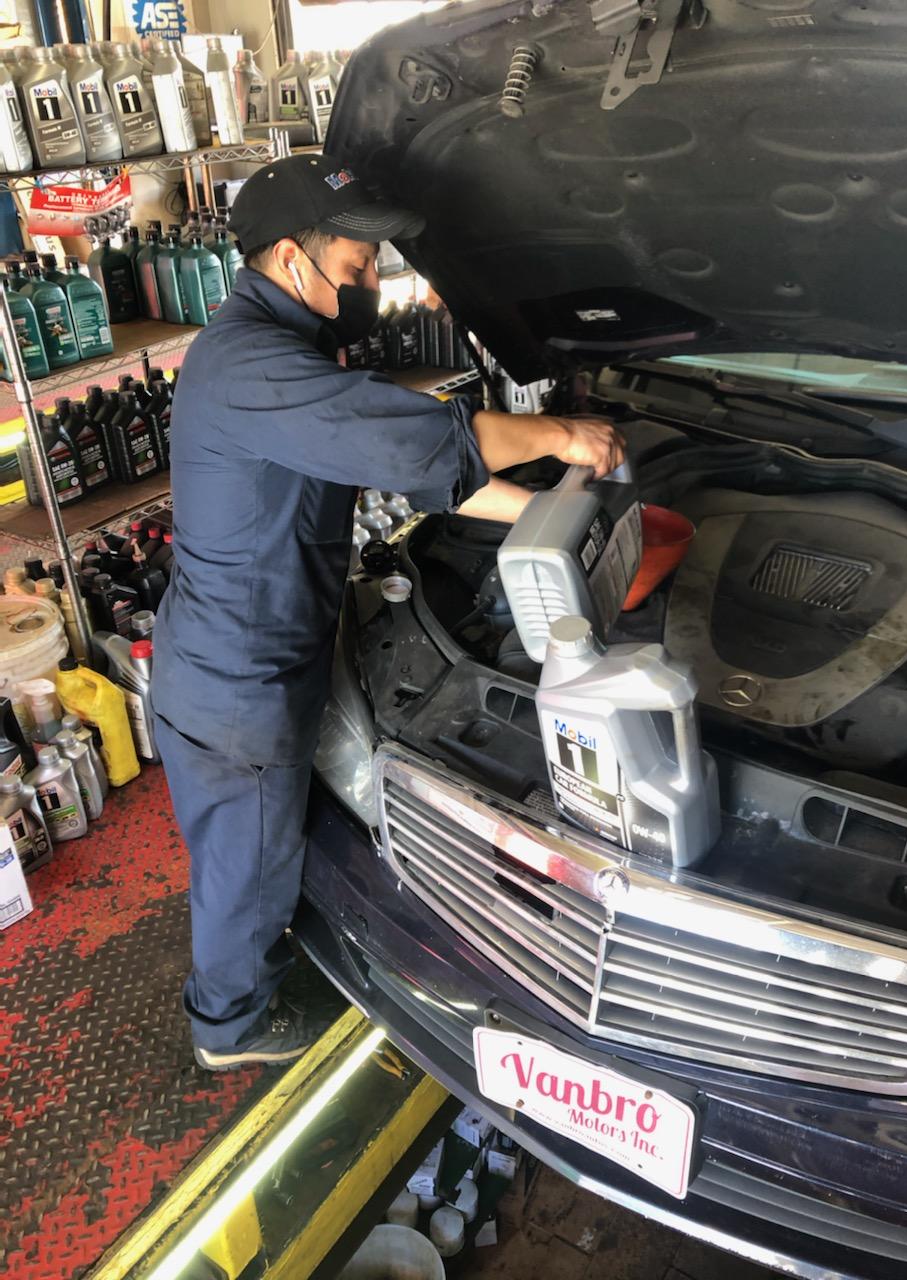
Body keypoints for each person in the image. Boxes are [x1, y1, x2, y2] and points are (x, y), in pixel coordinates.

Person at [151, 154, 624, 1071]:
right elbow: (417, 438)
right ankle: (230, 1026)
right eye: (359, 265)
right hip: (236, 681)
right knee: (243, 865)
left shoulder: (279, 352)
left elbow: (407, 455)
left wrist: (550, 515)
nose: (372, 282)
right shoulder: (250, 368)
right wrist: (567, 438)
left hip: (248, 651)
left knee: (250, 846)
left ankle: (249, 965)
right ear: (292, 260)